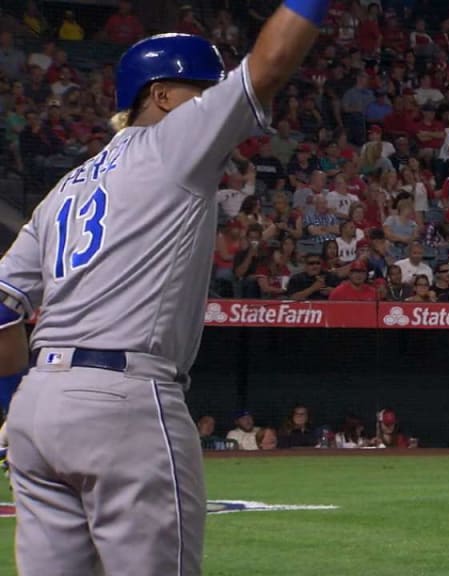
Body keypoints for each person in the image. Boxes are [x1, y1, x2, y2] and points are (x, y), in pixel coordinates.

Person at [0, 2, 326, 573]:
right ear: (162, 96)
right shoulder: (174, 144)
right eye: (201, 88)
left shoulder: (63, 191)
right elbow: (270, 63)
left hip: (38, 411)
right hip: (124, 402)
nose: (212, 101)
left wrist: (16, 404)